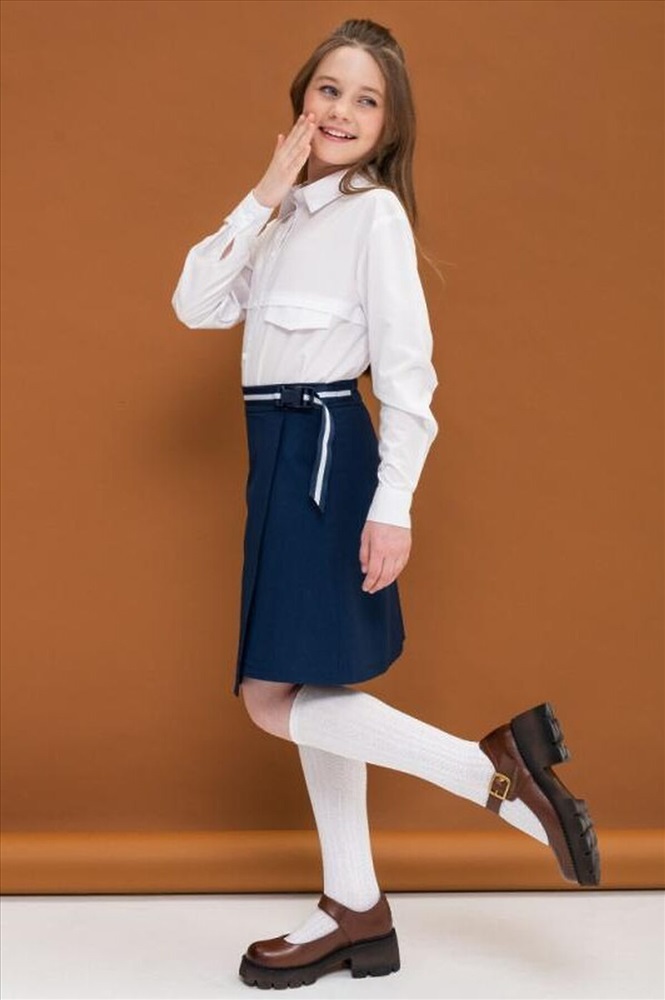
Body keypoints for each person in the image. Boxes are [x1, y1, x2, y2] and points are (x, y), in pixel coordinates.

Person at [171, 17, 600, 990]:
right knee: (311, 684)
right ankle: (355, 908)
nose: (341, 111)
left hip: (326, 456)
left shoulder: (374, 219)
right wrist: (263, 192)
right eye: (329, 89)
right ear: (301, 98)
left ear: (388, 125)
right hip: (276, 457)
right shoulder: (281, 215)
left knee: (272, 699)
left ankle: (491, 774)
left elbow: (408, 379)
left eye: (365, 100)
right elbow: (194, 304)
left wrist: (391, 505)